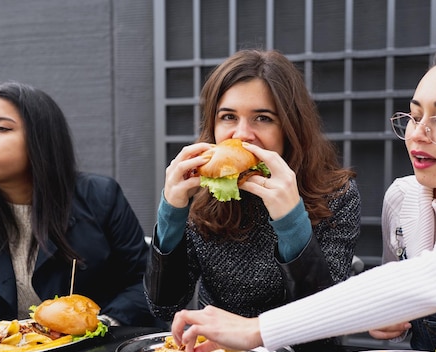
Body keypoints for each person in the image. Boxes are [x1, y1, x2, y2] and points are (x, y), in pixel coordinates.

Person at [170, 41, 436, 352]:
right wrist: (392, 318)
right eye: (414, 115)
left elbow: (432, 281)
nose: (417, 134)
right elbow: (402, 295)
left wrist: (254, 330)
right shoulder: (405, 198)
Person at [144, 49, 361, 321]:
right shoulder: (200, 191)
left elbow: (323, 319)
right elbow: (164, 308)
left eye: (263, 118)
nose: (243, 135)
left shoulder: (337, 194)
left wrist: (291, 221)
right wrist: (171, 215)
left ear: (290, 127)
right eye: (228, 117)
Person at [0, 81, 159, 327]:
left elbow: (147, 284)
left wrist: (101, 324)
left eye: (2, 128)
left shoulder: (100, 197)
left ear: (41, 140)